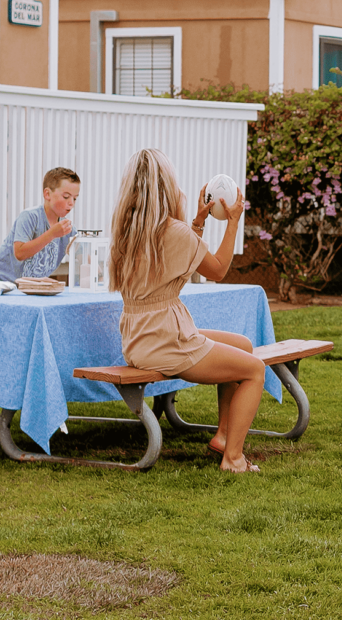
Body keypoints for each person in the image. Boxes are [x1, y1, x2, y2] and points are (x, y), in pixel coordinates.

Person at [109, 149, 266, 474]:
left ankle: (224, 437)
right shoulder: (172, 231)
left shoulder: (129, 230)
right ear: (167, 189)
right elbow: (218, 270)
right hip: (169, 340)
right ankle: (234, 458)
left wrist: (198, 222)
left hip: (142, 339)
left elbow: (173, 256)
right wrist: (233, 222)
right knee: (254, 369)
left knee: (243, 346)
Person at [0, 167, 81, 282]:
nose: (71, 203)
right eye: (66, 196)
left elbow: (85, 257)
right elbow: (20, 253)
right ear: (47, 194)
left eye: (75, 198)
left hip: (23, 289)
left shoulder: (68, 230)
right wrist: (52, 234)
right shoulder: (29, 217)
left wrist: (99, 274)